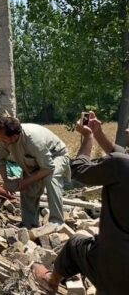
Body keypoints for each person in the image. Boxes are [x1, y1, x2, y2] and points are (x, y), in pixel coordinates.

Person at [33, 112, 129, 294]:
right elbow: (122, 155)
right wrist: (99, 133)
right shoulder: (122, 163)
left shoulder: (120, 165)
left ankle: (51, 282)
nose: (126, 129)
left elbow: (78, 169)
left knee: (75, 245)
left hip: (117, 265)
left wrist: (88, 137)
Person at [0, 117, 70, 227]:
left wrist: (25, 182)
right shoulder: (4, 139)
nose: (0, 138)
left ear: (13, 137)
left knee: (50, 178)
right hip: (35, 161)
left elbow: (48, 167)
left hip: (56, 156)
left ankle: (56, 222)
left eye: (3, 137)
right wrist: (6, 181)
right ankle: (29, 224)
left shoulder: (33, 140)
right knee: (28, 185)